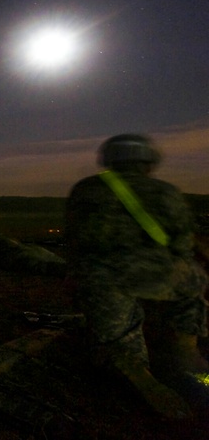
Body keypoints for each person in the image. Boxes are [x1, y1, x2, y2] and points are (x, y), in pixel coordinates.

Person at [65, 133, 208, 419]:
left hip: (101, 278)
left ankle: (134, 364)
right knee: (192, 281)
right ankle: (186, 349)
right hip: (157, 274)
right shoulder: (165, 191)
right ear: (147, 161)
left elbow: (76, 240)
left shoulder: (84, 189)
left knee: (117, 334)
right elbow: (181, 244)